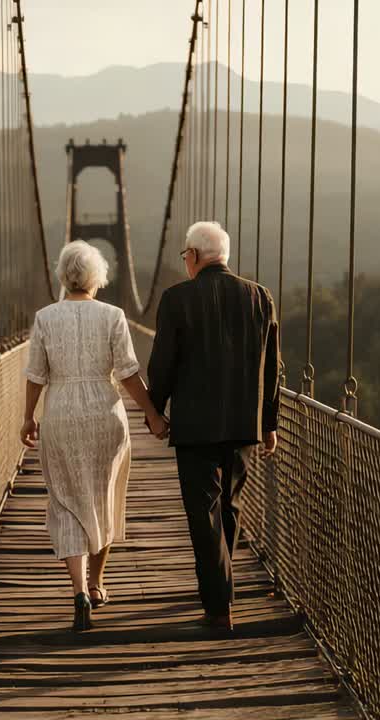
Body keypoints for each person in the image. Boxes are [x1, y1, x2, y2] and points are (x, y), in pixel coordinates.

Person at [21, 240, 170, 632]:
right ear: (97, 277)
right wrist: (153, 413)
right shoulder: (113, 315)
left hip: (61, 413)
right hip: (106, 412)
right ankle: (98, 582)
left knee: (67, 501)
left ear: (62, 275)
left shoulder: (45, 318)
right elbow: (127, 373)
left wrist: (27, 418)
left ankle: (78, 592)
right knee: (103, 495)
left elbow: (36, 376)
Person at [147, 221, 280, 632]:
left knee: (203, 513)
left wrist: (155, 411)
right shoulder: (259, 296)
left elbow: (163, 363)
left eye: (185, 256)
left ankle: (219, 607)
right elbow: (273, 366)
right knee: (230, 508)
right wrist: (269, 422)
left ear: (194, 255)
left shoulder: (176, 299)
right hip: (243, 423)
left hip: (196, 426)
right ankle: (222, 589)